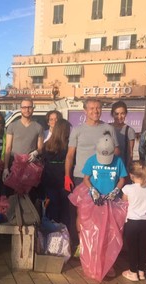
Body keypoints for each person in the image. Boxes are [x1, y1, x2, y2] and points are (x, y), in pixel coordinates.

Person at [64, 98, 119, 249]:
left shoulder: (109, 129)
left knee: (100, 214)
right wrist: (67, 176)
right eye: (92, 108)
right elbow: (70, 155)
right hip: (80, 177)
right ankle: (78, 246)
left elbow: (116, 152)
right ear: (85, 111)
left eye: (98, 108)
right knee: (79, 213)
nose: (95, 111)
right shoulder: (77, 130)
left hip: (102, 178)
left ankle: (95, 247)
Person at [122, 160, 146, 281]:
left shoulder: (128, 188)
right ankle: (141, 272)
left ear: (131, 175)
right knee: (143, 247)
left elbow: (124, 202)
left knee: (132, 248)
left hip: (132, 222)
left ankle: (133, 272)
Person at [2, 98, 44, 181]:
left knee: (27, 192)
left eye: (29, 107)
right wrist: (6, 168)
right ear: (21, 108)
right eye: (24, 107)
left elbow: (40, 148)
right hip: (14, 164)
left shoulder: (39, 127)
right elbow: (8, 148)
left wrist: (35, 153)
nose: (27, 110)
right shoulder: (12, 126)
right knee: (12, 192)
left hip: (30, 165)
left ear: (33, 109)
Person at [42, 119, 71, 227]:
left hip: (49, 178)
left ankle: (53, 234)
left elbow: (43, 160)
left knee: (52, 207)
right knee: (65, 209)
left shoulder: (47, 144)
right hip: (63, 178)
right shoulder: (68, 145)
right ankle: (65, 235)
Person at [110, 101, 135, 169]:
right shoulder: (107, 128)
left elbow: (130, 153)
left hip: (122, 167)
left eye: (122, 113)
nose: (119, 116)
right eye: (117, 114)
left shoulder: (129, 131)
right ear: (112, 114)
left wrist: (127, 168)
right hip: (107, 166)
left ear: (126, 114)